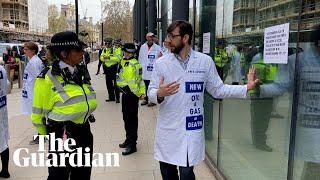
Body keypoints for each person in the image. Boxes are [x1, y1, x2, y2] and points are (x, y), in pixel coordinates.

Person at [147, 20, 258, 180]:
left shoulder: (205, 62)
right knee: (168, 174)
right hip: (168, 131)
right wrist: (159, 92)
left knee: (186, 174)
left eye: (173, 36)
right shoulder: (161, 63)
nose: (168, 40)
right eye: (168, 36)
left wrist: (246, 87)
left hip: (191, 129)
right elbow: (150, 91)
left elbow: (219, 89)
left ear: (185, 38)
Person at [31, 31, 97, 180]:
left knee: (83, 174)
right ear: (64, 53)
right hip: (62, 134)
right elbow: (37, 112)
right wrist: (45, 135)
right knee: (58, 176)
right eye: (78, 50)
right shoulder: (46, 77)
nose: (83, 53)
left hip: (84, 131)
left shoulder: (80, 71)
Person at [117, 43, 145, 155]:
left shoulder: (135, 64)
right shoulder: (122, 62)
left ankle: (133, 145)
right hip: (125, 94)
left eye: (130, 52)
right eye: (126, 52)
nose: (127, 54)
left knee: (132, 120)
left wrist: (141, 93)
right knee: (126, 118)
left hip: (133, 96)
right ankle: (128, 139)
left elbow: (140, 80)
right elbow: (121, 77)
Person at [21, 42, 45, 145]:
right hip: (32, 91)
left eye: (26, 49)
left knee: (37, 114)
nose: (24, 51)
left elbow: (38, 78)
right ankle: (42, 134)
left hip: (34, 92)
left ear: (33, 50)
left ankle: (41, 135)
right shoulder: (34, 60)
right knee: (38, 114)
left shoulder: (34, 62)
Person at [138, 32, 162, 107]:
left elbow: (161, 58)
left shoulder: (157, 47)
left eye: (152, 37)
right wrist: (139, 67)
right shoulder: (143, 47)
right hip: (144, 69)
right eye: (150, 37)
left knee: (152, 85)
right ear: (147, 38)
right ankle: (146, 98)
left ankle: (152, 100)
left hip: (153, 69)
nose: (151, 38)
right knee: (145, 84)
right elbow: (140, 58)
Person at [100, 38, 120, 103]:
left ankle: (117, 98)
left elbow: (118, 59)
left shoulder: (116, 49)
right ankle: (111, 97)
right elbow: (101, 58)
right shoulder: (104, 50)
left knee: (116, 84)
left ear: (111, 43)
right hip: (107, 69)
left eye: (108, 43)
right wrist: (110, 58)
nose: (107, 45)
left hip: (114, 68)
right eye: (106, 43)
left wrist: (107, 58)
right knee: (108, 84)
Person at [0, 65, 10, 178]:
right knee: (3, 140)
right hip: (2, 107)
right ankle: (5, 169)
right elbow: (7, 84)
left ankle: (5, 170)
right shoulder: (2, 68)